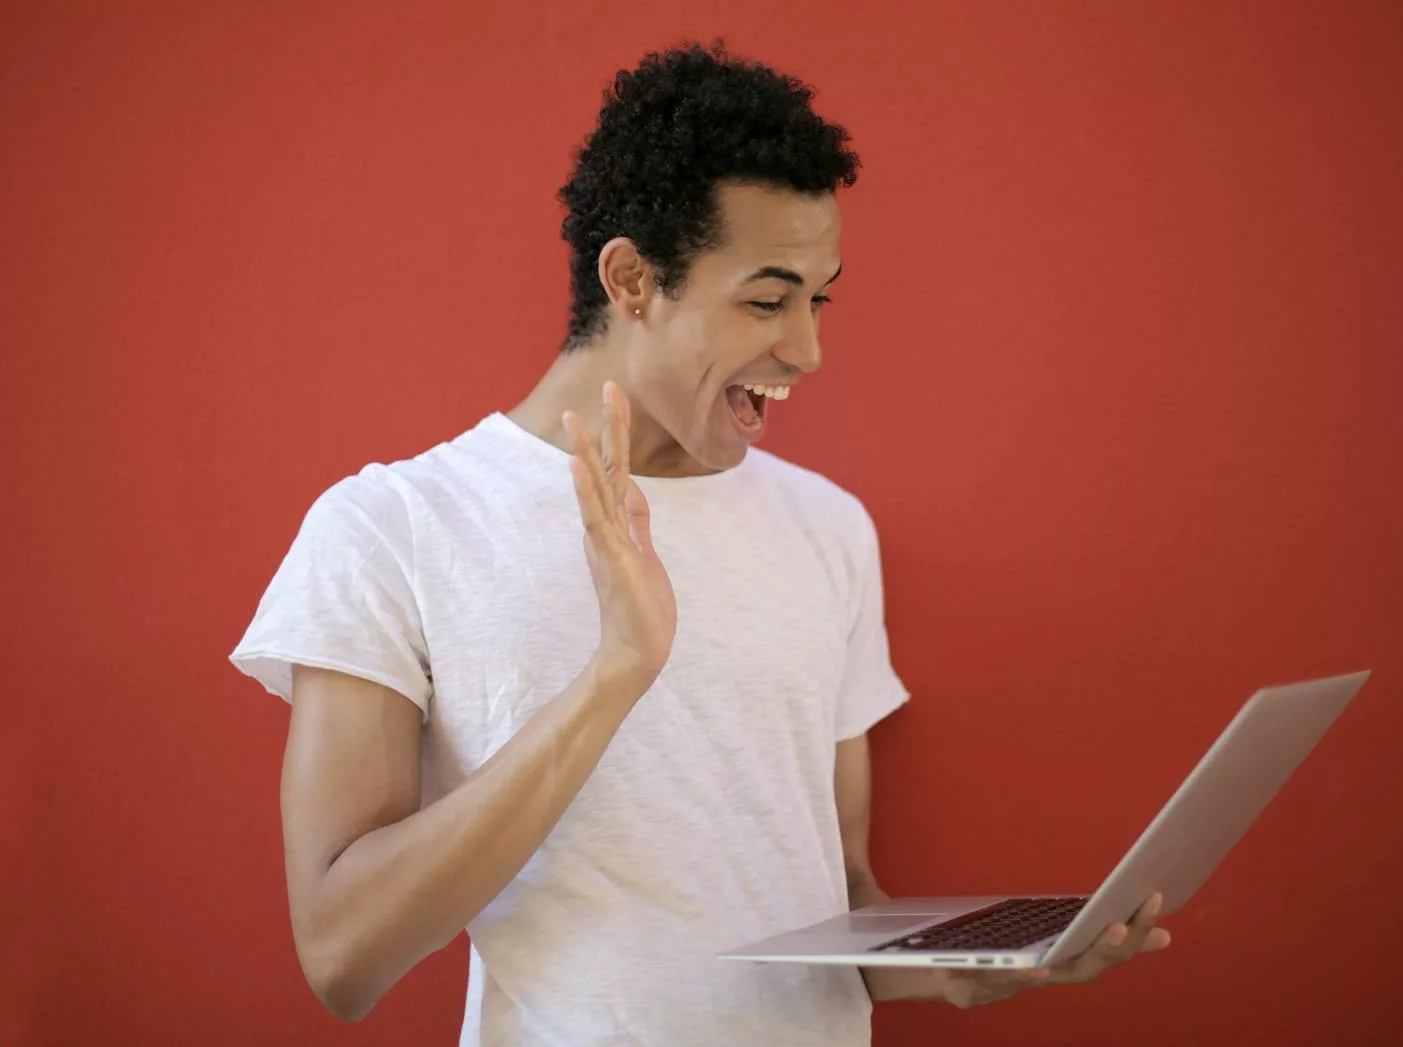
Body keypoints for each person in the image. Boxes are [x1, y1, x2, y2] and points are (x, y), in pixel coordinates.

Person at [229, 41, 1169, 1047]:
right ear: (631, 280)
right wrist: (615, 675)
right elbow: (342, 954)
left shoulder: (827, 527)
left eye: (819, 298)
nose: (806, 349)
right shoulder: (394, 528)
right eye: (767, 301)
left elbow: (838, 894)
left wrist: (958, 965)